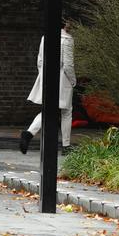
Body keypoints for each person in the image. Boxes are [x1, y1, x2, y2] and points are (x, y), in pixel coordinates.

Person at [19, 21, 77, 155]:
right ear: (65, 24)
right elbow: (68, 65)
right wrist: (73, 81)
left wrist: (43, 76)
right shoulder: (67, 40)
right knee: (67, 112)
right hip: (63, 80)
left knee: (47, 110)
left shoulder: (45, 37)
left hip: (46, 78)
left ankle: (28, 133)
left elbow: (39, 61)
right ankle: (66, 145)